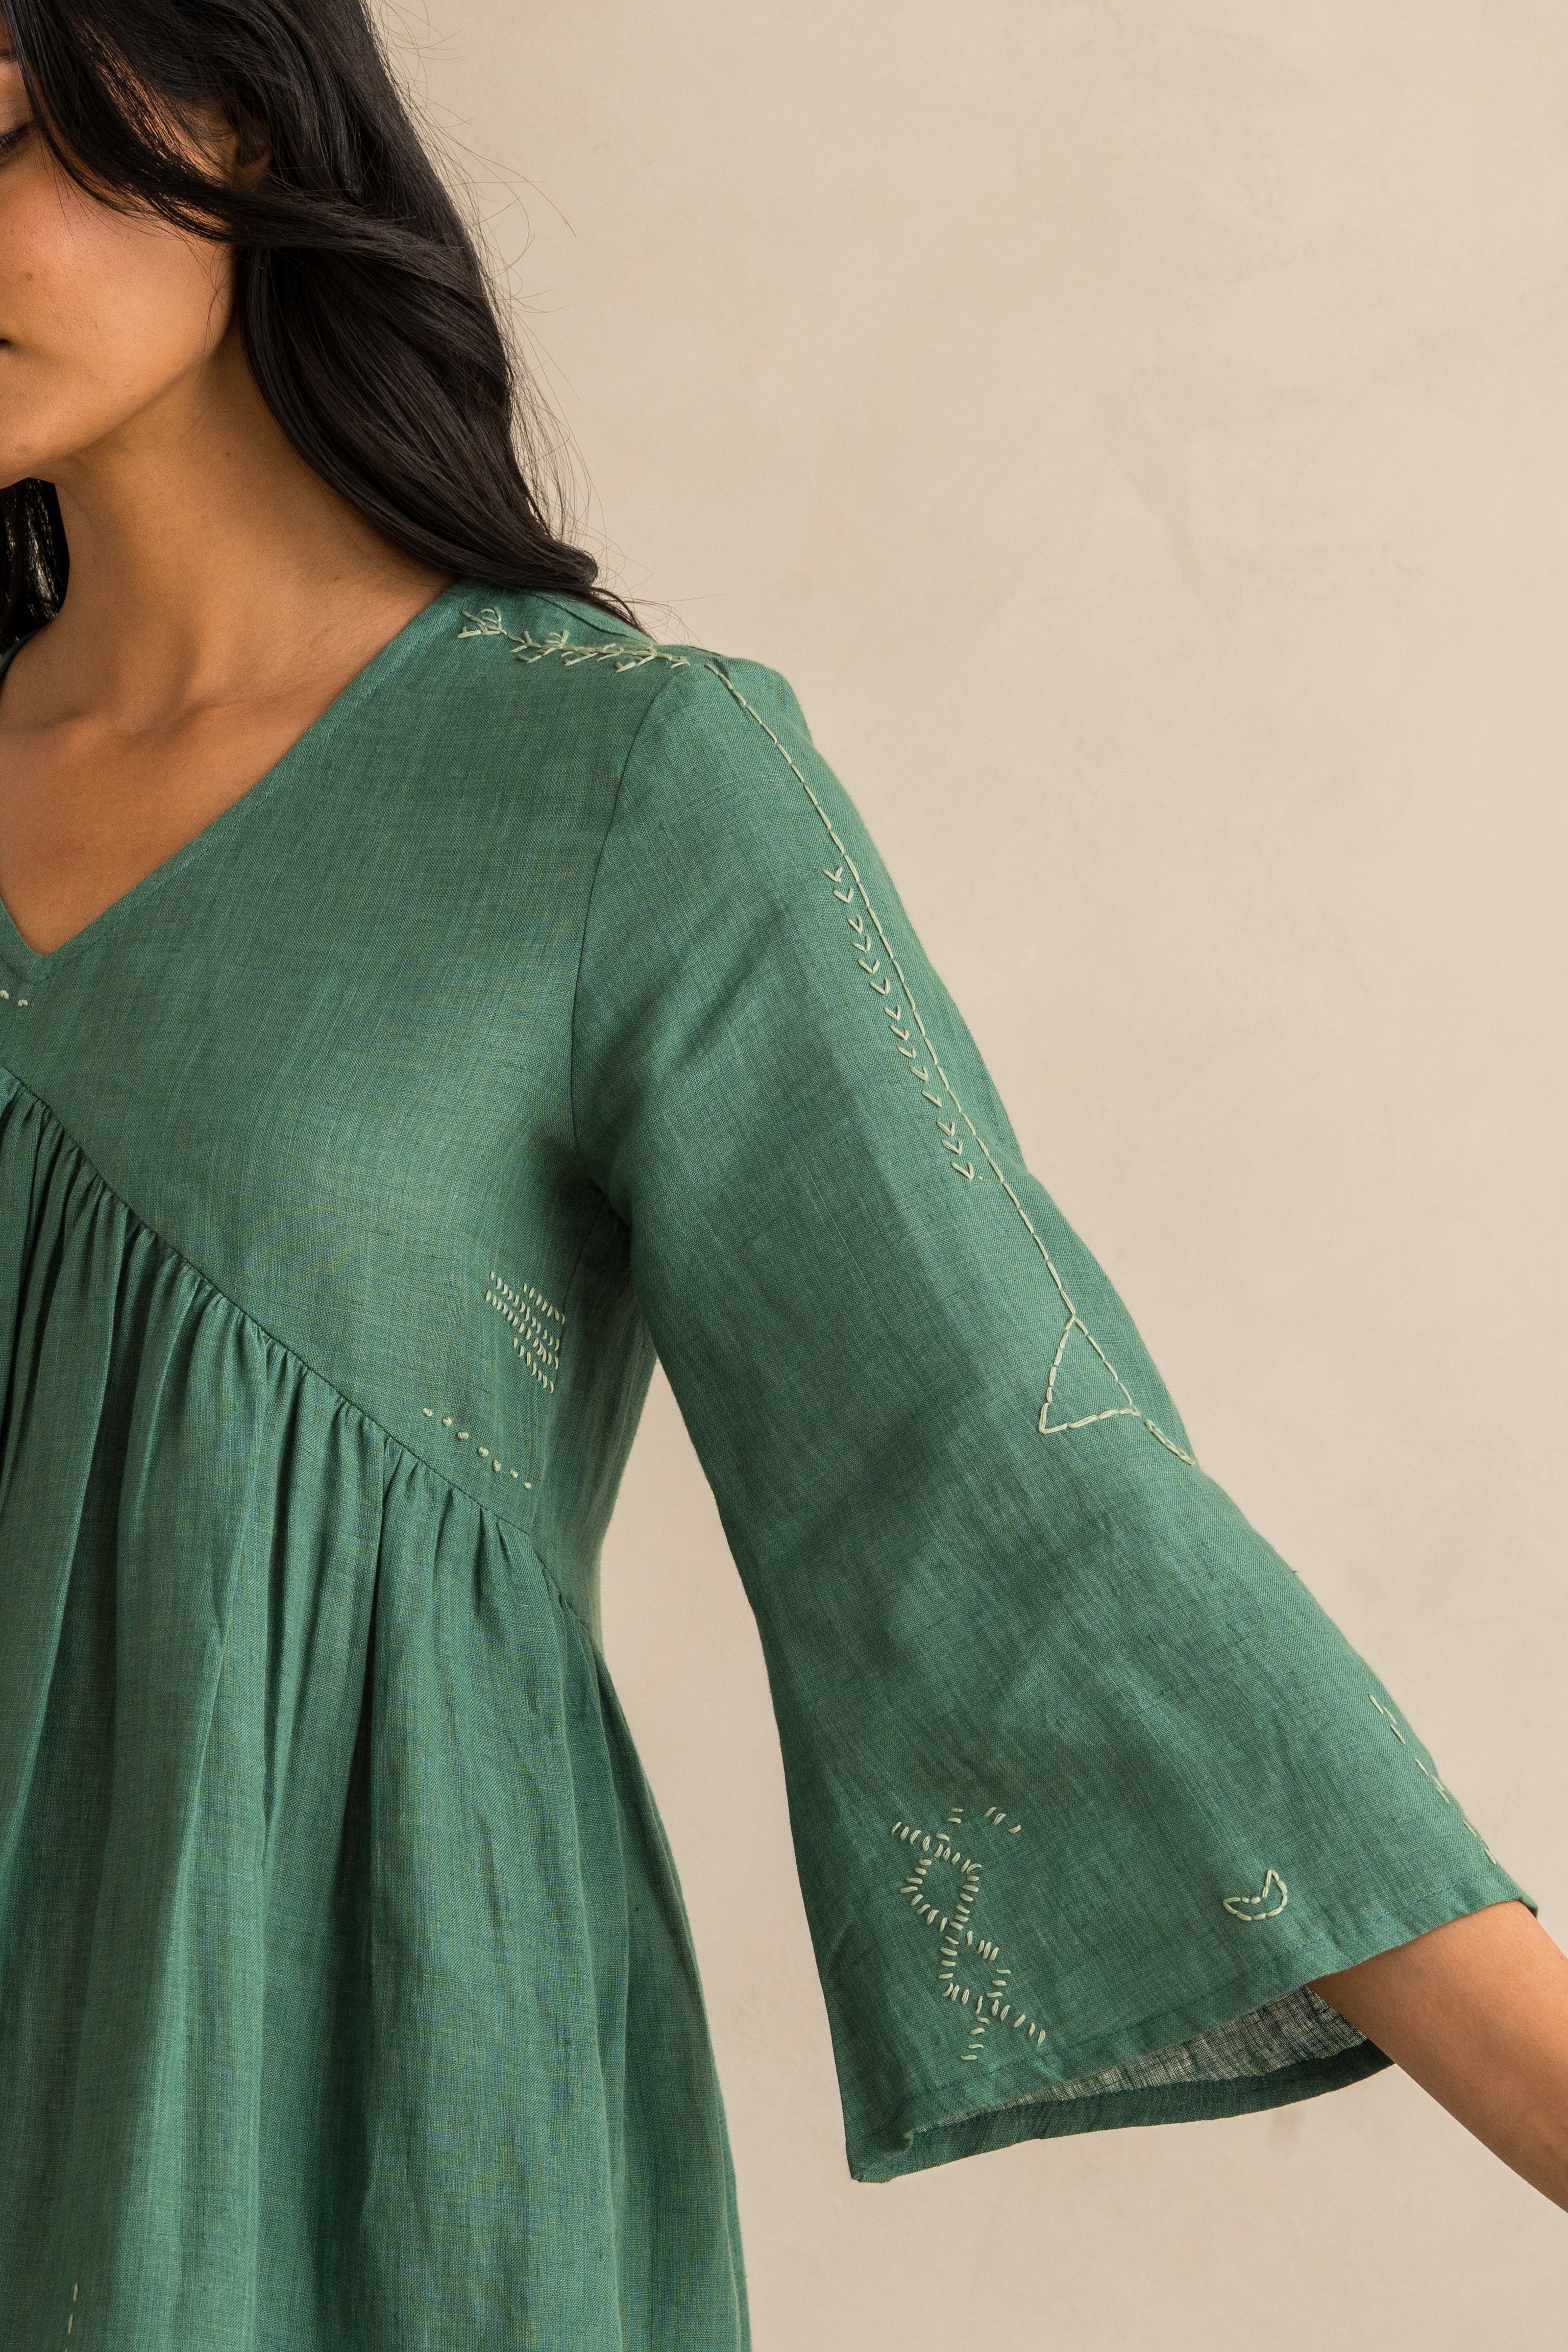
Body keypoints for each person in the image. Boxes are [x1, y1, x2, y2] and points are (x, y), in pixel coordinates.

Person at [0, 1, 1561, 2342]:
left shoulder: (616, 790)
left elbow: (1017, 1510)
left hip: (363, 2180)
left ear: (223, 113)